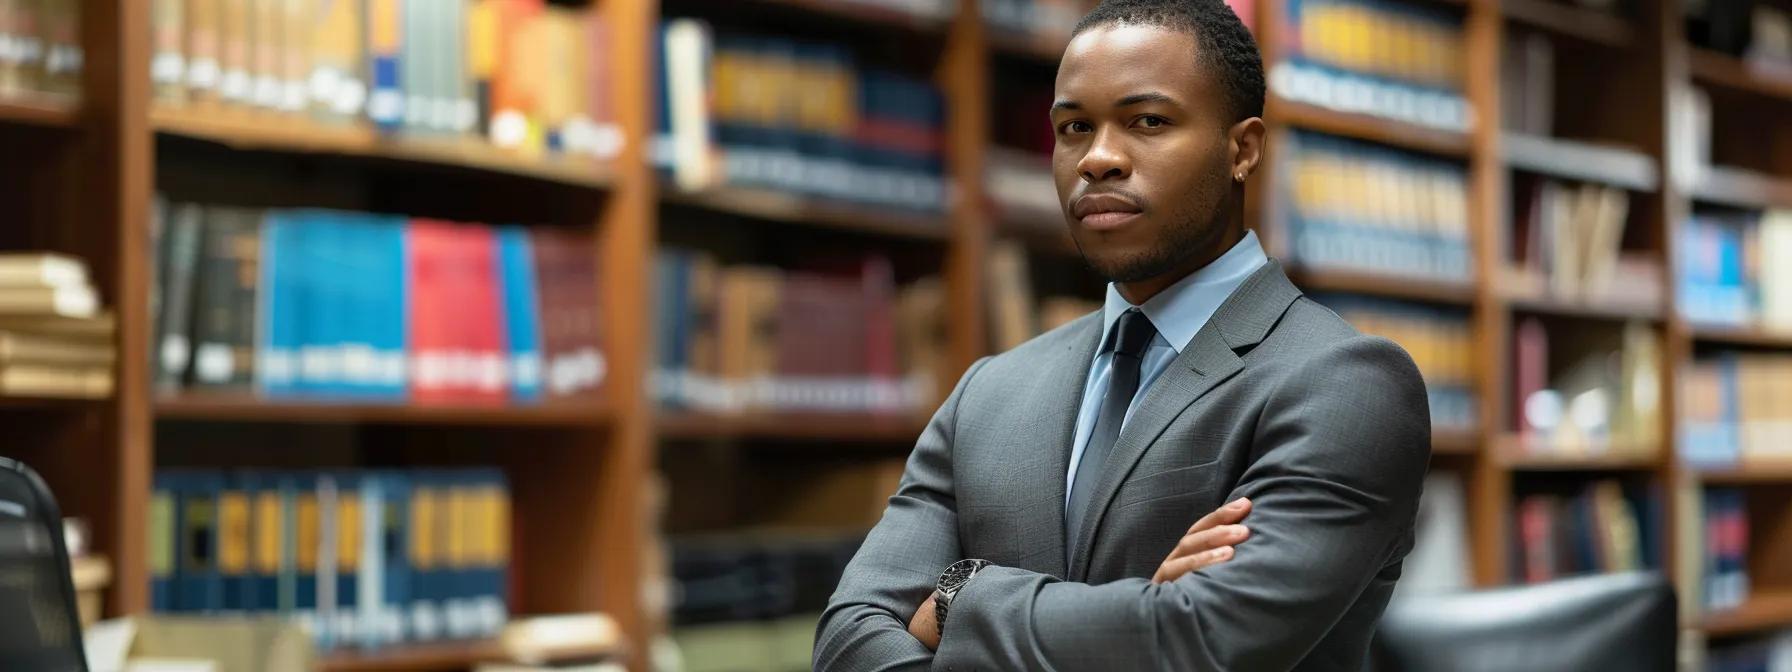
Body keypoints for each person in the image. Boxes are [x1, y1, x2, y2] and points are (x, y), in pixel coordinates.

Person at [813, 0, 1432, 668]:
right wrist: (1138, 612)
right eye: (1074, 127)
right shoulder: (989, 394)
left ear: (1242, 149)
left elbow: (1199, 641)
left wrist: (962, 597)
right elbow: (849, 637)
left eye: (1148, 122)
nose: (1098, 158)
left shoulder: (1346, 384)